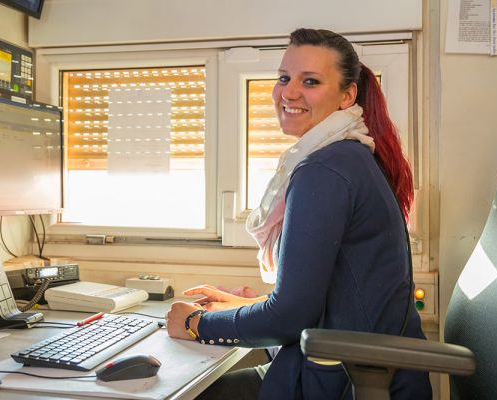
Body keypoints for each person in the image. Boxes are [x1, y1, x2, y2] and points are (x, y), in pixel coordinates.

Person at [165, 28, 432, 400]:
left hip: (342, 383)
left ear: (347, 96)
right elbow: (324, 302)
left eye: (310, 81)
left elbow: (290, 318)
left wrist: (196, 323)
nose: (288, 93)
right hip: (347, 369)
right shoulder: (348, 156)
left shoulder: (324, 170)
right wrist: (244, 307)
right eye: (283, 78)